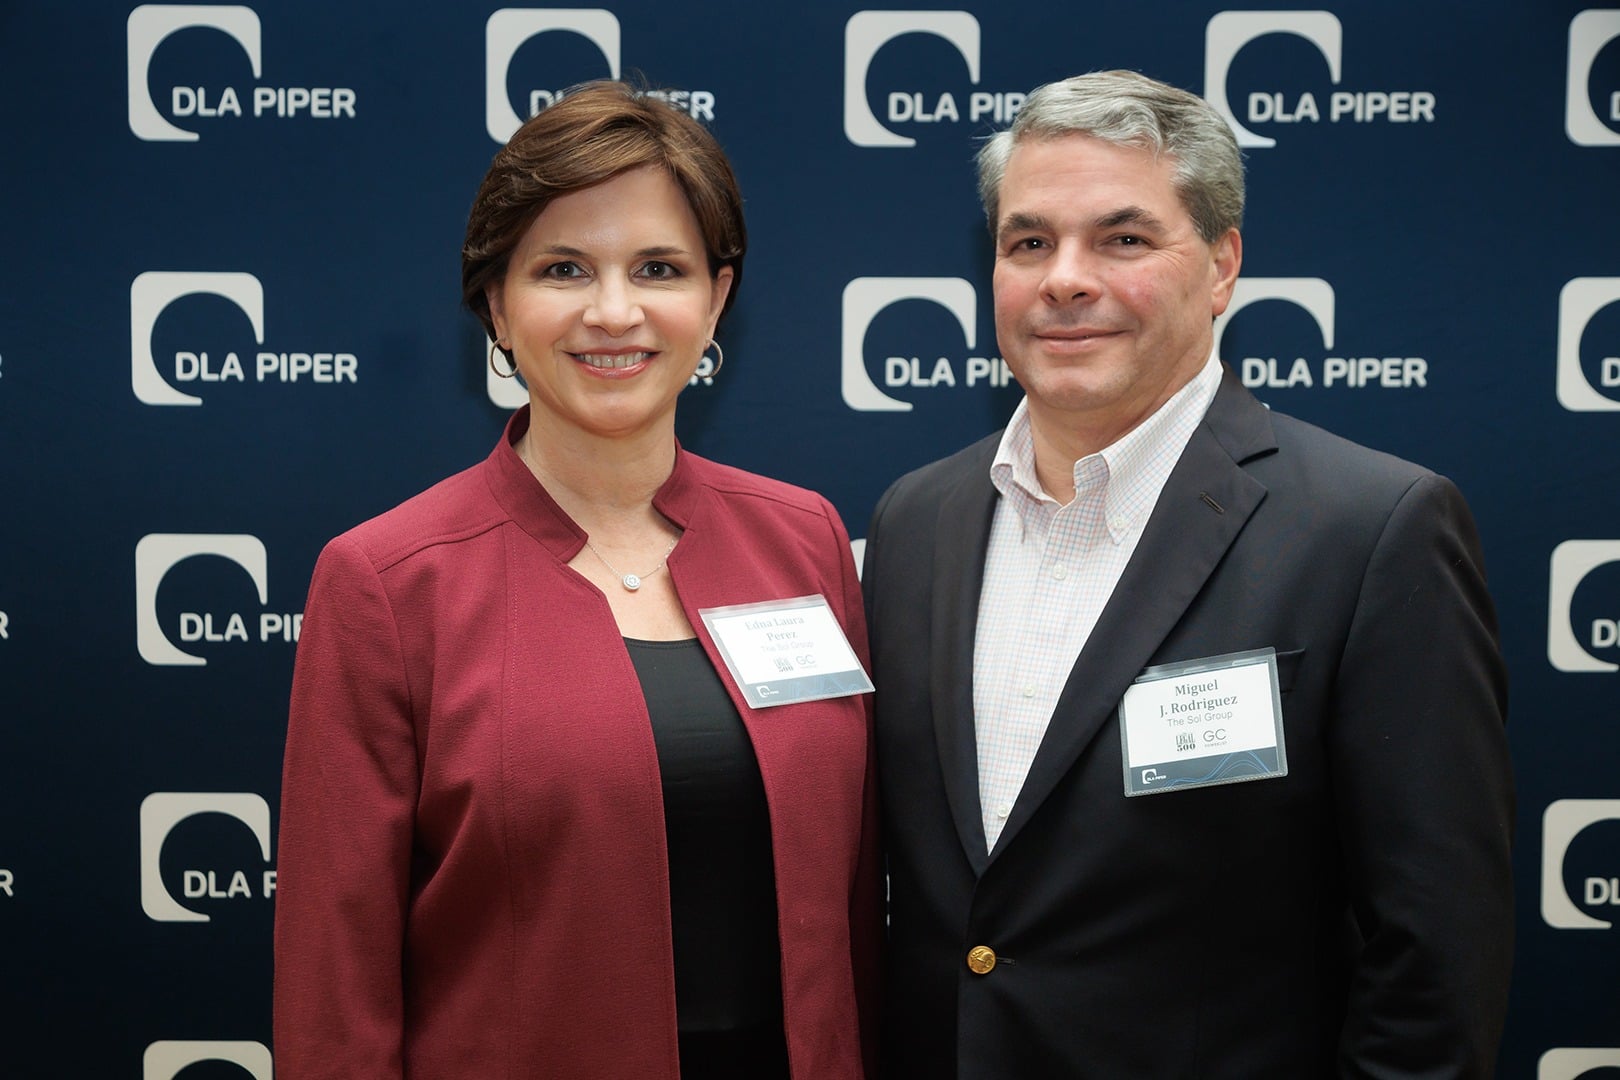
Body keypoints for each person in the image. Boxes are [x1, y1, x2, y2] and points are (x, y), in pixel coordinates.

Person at [863, 70, 1513, 1078]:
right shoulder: (916, 520)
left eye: (1122, 239)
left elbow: (1435, 956)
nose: (1064, 280)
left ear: (1221, 267)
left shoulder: (1373, 530)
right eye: (1028, 243)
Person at [274, 82, 878, 1079]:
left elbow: (855, 909)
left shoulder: (802, 538)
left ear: (716, 299)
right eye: (563, 269)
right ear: (497, 306)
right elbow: (333, 989)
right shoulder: (386, 583)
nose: (614, 311)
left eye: (659, 268)